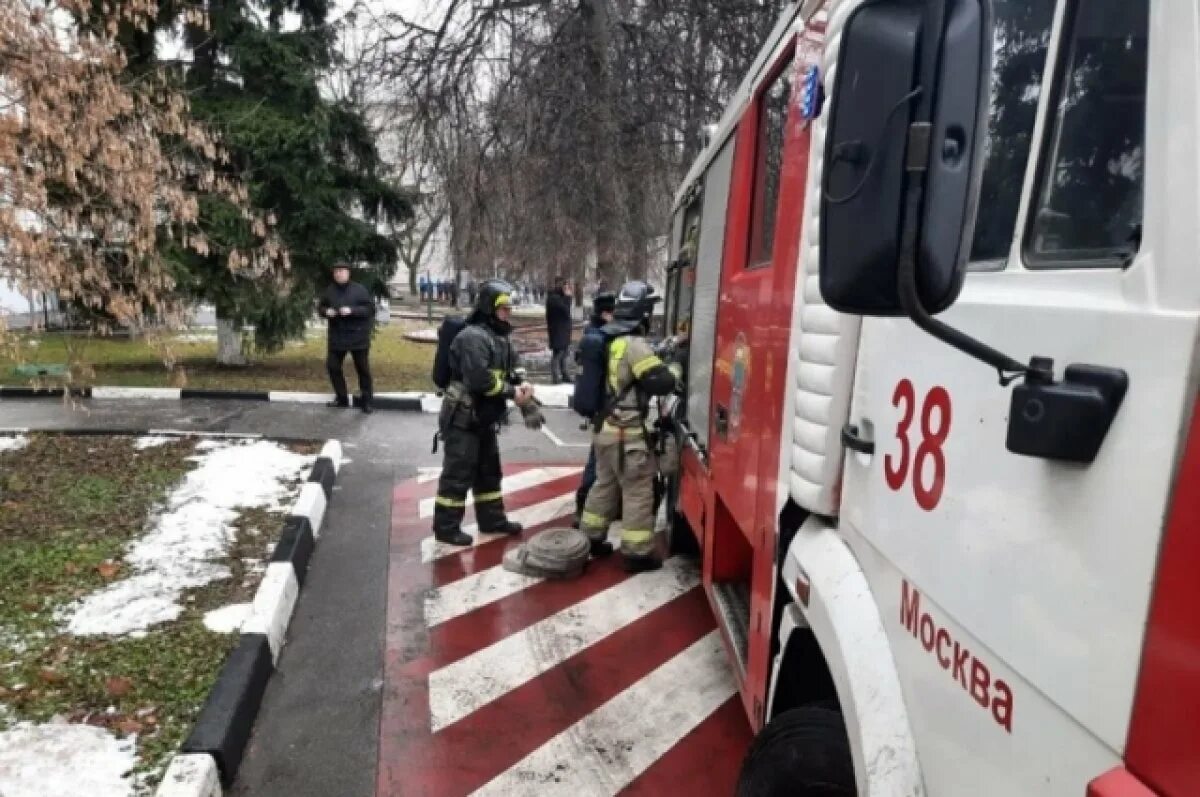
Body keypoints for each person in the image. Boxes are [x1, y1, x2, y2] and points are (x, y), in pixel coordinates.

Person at [579, 281, 679, 572]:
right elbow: (661, 382)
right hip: (628, 436)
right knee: (638, 490)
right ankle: (637, 554)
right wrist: (676, 368)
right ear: (644, 312)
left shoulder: (607, 338)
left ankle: (590, 539)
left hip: (605, 431)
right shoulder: (634, 344)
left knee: (604, 485)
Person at [432, 279, 538, 546]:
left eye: (509, 308)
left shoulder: (499, 337)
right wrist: (512, 393)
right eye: (503, 308)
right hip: (463, 417)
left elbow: (515, 365)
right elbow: (479, 379)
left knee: (489, 471)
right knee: (458, 474)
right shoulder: (472, 338)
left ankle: (492, 520)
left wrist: (522, 382)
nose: (507, 313)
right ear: (489, 307)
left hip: (484, 418)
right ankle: (446, 527)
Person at [572, 291, 617, 527]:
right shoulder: (600, 340)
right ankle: (584, 507)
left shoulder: (593, 336)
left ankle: (588, 506)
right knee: (598, 461)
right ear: (607, 314)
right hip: (605, 409)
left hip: (601, 408)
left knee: (600, 459)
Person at [319, 262, 375, 414]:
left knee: (363, 369)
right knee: (333, 367)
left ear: (348, 273)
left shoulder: (359, 290)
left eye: (342, 271)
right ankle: (341, 398)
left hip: (358, 336)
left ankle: (367, 400)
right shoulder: (329, 290)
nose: (339, 274)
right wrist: (326, 312)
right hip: (337, 337)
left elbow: (370, 309)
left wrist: (352, 310)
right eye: (336, 271)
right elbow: (321, 308)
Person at [545, 279, 574, 384]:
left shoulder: (557, 298)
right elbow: (565, 311)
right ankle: (556, 376)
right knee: (558, 353)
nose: (567, 289)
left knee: (564, 353)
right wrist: (568, 297)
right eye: (565, 287)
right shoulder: (554, 298)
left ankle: (564, 374)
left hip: (562, 330)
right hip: (558, 330)